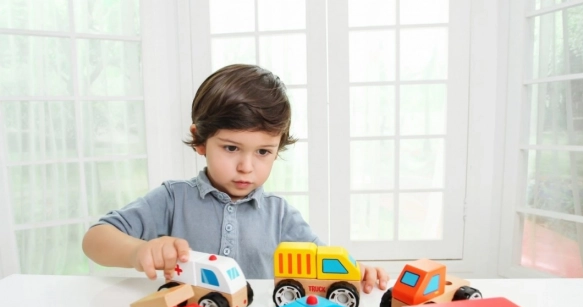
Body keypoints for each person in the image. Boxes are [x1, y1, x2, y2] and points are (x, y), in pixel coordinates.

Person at [82, 64, 389, 293]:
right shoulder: (173, 200)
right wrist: (138, 252)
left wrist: (358, 272)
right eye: (231, 148)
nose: (246, 166)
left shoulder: (279, 216)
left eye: (263, 152)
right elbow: (94, 239)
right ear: (201, 140)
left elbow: (326, 264)